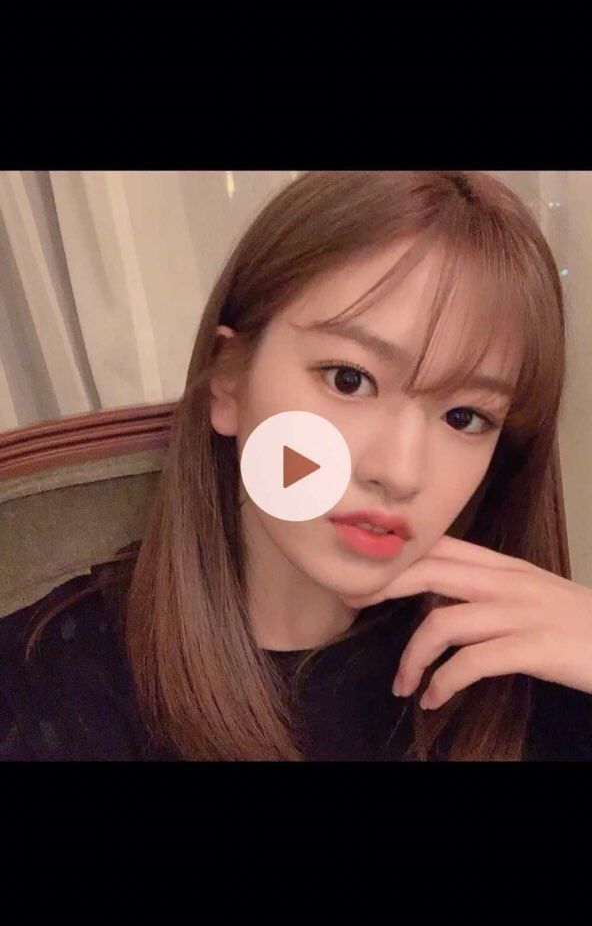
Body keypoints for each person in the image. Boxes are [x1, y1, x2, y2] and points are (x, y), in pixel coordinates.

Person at [2, 169, 592, 762]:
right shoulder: (46, 686)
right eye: (349, 380)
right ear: (229, 381)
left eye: (464, 418)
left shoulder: (532, 673)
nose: (400, 472)